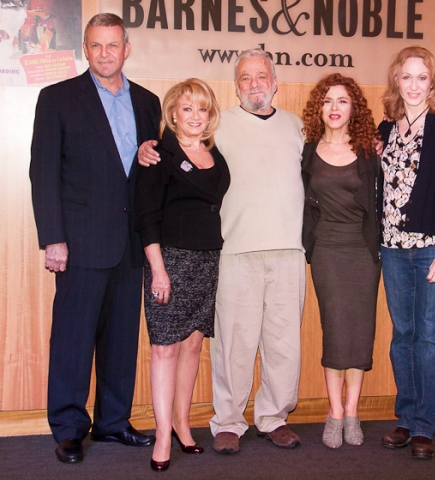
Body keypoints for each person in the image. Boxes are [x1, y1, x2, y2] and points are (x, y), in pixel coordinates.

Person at [137, 48, 305, 454]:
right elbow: (177, 145)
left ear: (275, 81)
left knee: (284, 343)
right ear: (236, 85)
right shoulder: (218, 125)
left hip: (287, 251)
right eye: (245, 78)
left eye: (261, 76)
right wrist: (148, 147)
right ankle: (229, 421)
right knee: (234, 343)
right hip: (234, 252)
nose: (254, 84)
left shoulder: (298, 127)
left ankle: (273, 416)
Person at [29, 13, 161, 464]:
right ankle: (68, 428)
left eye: (113, 45)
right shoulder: (58, 98)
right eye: (97, 45)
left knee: (122, 339)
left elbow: (149, 173)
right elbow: (43, 173)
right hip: (80, 242)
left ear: (127, 48)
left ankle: (112, 422)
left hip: (131, 242)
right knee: (73, 338)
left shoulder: (148, 102)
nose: (106, 53)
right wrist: (53, 238)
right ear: (86, 49)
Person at [378, 47, 435, 460]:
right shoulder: (385, 128)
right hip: (392, 249)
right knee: (403, 336)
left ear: (433, 83)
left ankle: (424, 427)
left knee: (430, 337)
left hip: (432, 248)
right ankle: (406, 416)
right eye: (407, 77)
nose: (414, 85)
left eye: (422, 77)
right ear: (396, 80)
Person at [134, 79, 230, 471]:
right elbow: (146, 215)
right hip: (169, 263)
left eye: (202, 109)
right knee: (164, 348)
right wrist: (158, 270)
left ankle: (181, 424)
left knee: (193, 346)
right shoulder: (158, 153)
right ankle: (161, 435)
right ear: (173, 112)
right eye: (187, 108)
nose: (195, 116)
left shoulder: (213, 153)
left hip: (207, 262)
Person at [301, 73, 380, 449]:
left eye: (343, 101)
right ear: (320, 107)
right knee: (335, 330)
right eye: (328, 100)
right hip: (327, 251)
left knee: (360, 332)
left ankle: (352, 411)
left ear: (354, 109)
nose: (334, 108)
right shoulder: (307, 150)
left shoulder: (369, 151)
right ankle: (334, 412)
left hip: (363, 253)